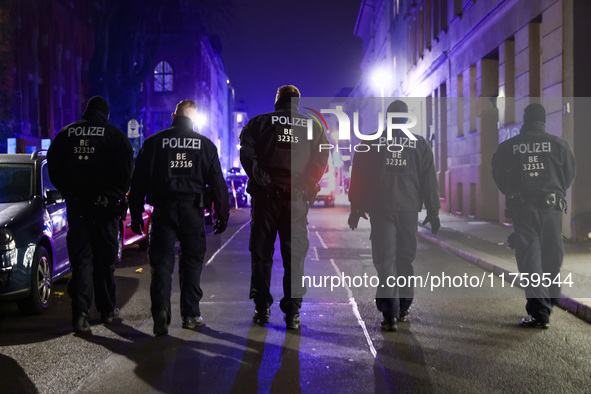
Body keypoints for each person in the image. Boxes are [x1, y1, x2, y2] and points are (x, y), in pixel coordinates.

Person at [129, 99, 229, 336]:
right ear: (193, 119)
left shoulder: (154, 143)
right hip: (193, 211)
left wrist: (135, 214)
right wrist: (222, 212)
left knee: (162, 264)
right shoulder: (205, 145)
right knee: (192, 263)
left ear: (174, 116)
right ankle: (191, 315)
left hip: (163, 211)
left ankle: (161, 314)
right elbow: (217, 183)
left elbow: (139, 181)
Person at [240, 85, 329, 329]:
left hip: (266, 199)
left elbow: (247, 154)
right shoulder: (313, 127)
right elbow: (322, 157)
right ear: (297, 102)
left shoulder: (259, 123)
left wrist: (263, 180)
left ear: (277, 101)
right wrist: (306, 183)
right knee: (295, 256)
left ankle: (261, 309)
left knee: (261, 255)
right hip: (296, 200)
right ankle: (293, 314)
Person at [348, 99, 440, 332]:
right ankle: (404, 307)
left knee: (386, 261)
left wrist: (356, 207)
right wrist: (433, 210)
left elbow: (358, 176)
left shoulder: (370, 142)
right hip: (408, 210)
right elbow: (429, 180)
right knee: (405, 260)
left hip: (381, 209)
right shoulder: (419, 144)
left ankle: (390, 314)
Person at [47, 96, 133, 334]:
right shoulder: (114, 136)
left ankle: (80, 315)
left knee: (82, 260)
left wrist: (69, 191)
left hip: (77, 207)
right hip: (105, 209)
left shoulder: (65, 134)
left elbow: (53, 167)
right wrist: (117, 193)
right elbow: (127, 171)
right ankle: (106, 310)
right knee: (105, 261)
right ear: (106, 114)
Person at [492, 103, 576, 329]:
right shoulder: (559, 145)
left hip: (524, 210)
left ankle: (540, 312)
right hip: (552, 209)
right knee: (551, 257)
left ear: (525, 120)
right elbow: (568, 174)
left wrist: (512, 193)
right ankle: (548, 301)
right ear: (544, 121)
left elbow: (498, 174)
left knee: (530, 261)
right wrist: (555, 191)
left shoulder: (509, 146)